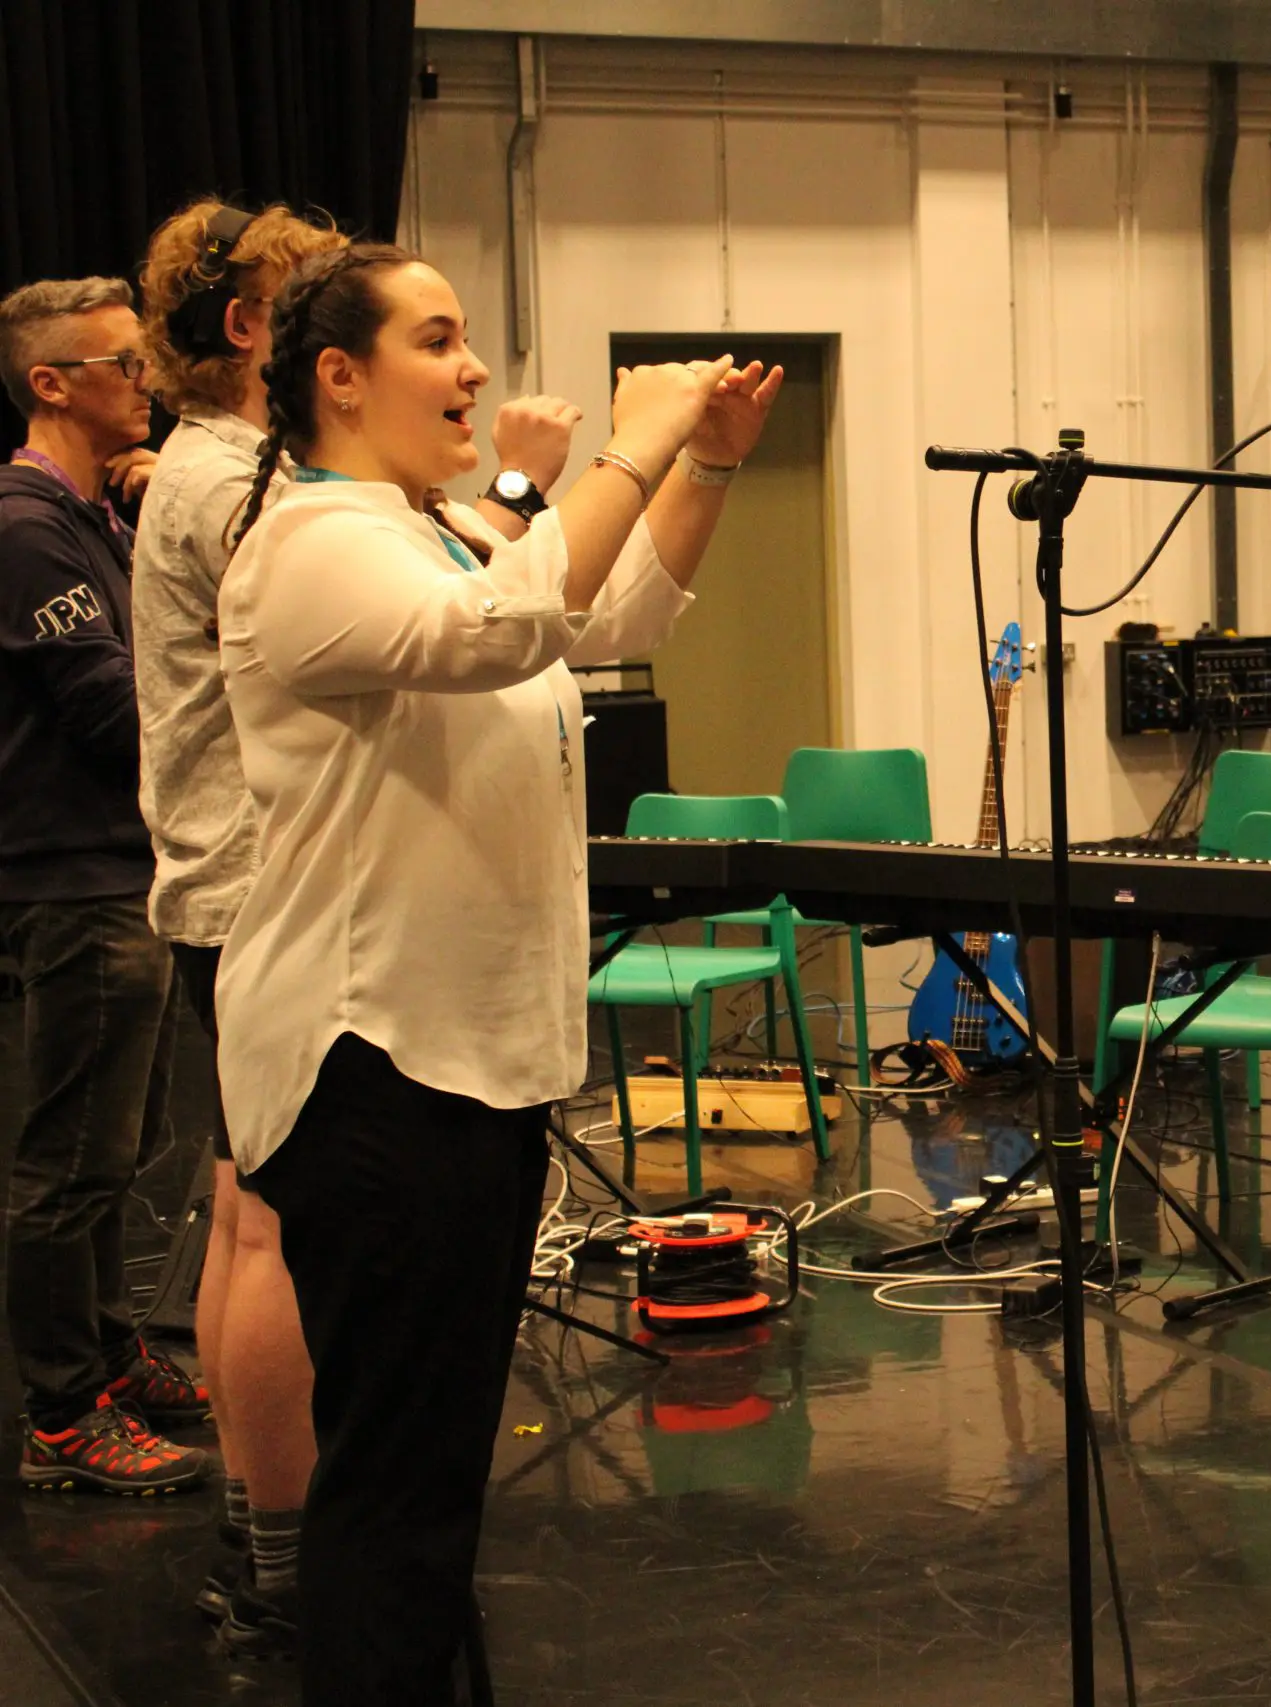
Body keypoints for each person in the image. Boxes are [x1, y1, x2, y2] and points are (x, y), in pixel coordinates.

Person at [216, 241, 778, 1704]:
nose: (473, 369)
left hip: (468, 1061)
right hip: (373, 1062)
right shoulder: (312, 540)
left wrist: (702, 466)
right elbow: (513, 620)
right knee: (397, 1486)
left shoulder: (441, 529)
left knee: (430, 1478)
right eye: (438, 339)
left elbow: (605, 615)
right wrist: (632, 433)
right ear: (338, 374)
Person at [131, 199, 587, 1656]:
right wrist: (550, 478)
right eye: (434, 336)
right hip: (302, 936)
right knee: (277, 1257)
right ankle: (279, 1539)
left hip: (338, 926)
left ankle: (285, 1540)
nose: (464, 365)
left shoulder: (384, 505)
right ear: (295, 345)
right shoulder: (259, 497)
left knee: (279, 1266)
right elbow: (471, 627)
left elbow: (523, 605)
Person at [0, 277, 213, 1496]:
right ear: (53, 382)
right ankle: (61, 1412)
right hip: (76, 880)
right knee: (69, 1158)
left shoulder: (96, 516)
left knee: (120, 1145)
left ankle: (108, 1350)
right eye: (124, 365)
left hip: (123, 870)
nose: (146, 382)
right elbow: (110, 706)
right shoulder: (26, 526)